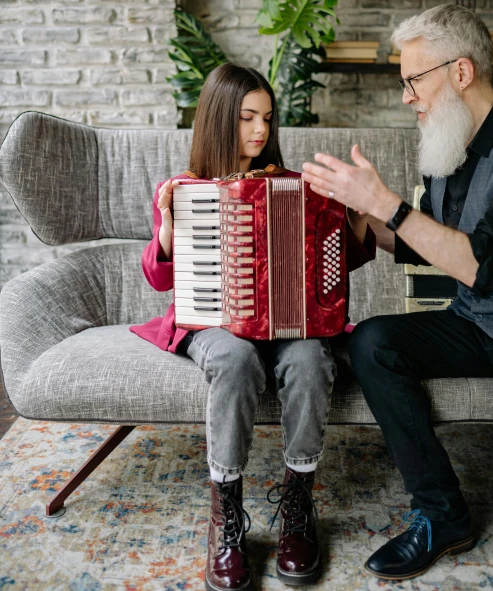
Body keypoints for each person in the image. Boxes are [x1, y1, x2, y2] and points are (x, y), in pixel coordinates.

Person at [130, 63, 376, 591]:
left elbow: (343, 258)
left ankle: (296, 507)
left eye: (267, 118)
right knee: (234, 357)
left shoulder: (299, 188)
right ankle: (227, 518)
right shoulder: (185, 189)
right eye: (246, 118)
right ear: (219, 120)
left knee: (312, 358)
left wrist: (358, 215)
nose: (260, 131)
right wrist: (170, 226)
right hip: (213, 322)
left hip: (289, 322)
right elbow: (157, 276)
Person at [301, 4, 493, 582]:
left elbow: (486, 265)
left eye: (413, 80)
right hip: (475, 322)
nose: (406, 96)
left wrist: (389, 206)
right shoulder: (447, 147)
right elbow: (439, 252)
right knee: (374, 341)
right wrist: (360, 223)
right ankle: (441, 513)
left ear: (461, 73)